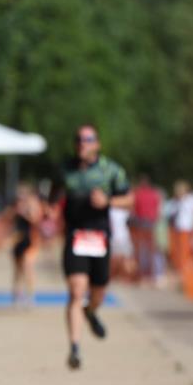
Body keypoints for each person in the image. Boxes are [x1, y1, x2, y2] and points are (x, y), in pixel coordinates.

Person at [49, 124, 133, 370]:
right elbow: (52, 197)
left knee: (98, 294)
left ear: (97, 144)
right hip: (75, 236)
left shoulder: (111, 170)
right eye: (78, 139)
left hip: (100, 237)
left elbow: (130, 200)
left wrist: (108, 201)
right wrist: (49, 210)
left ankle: (91, 311)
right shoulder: (65, 169)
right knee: (76, 291)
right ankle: (75, 348)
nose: (81, 144)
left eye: (87, 139)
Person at [8, 183, 43, 306]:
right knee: (18, 269)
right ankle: (16, 294)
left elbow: (36, 220)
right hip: (18, 240)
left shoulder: (33, 205)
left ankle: (30, 295)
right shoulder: (15, 206)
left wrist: (25, 213)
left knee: (28, 267)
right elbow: (8, 220)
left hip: (30, 240)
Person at [130, 174, 161, 284]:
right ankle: (151, 275)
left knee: (139, 251)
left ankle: (140, 275)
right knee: (150, 251)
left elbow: (134, 208)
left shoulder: (138, 193)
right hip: (150, 223)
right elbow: (157, 208)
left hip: (140, 223)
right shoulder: (154, 193)